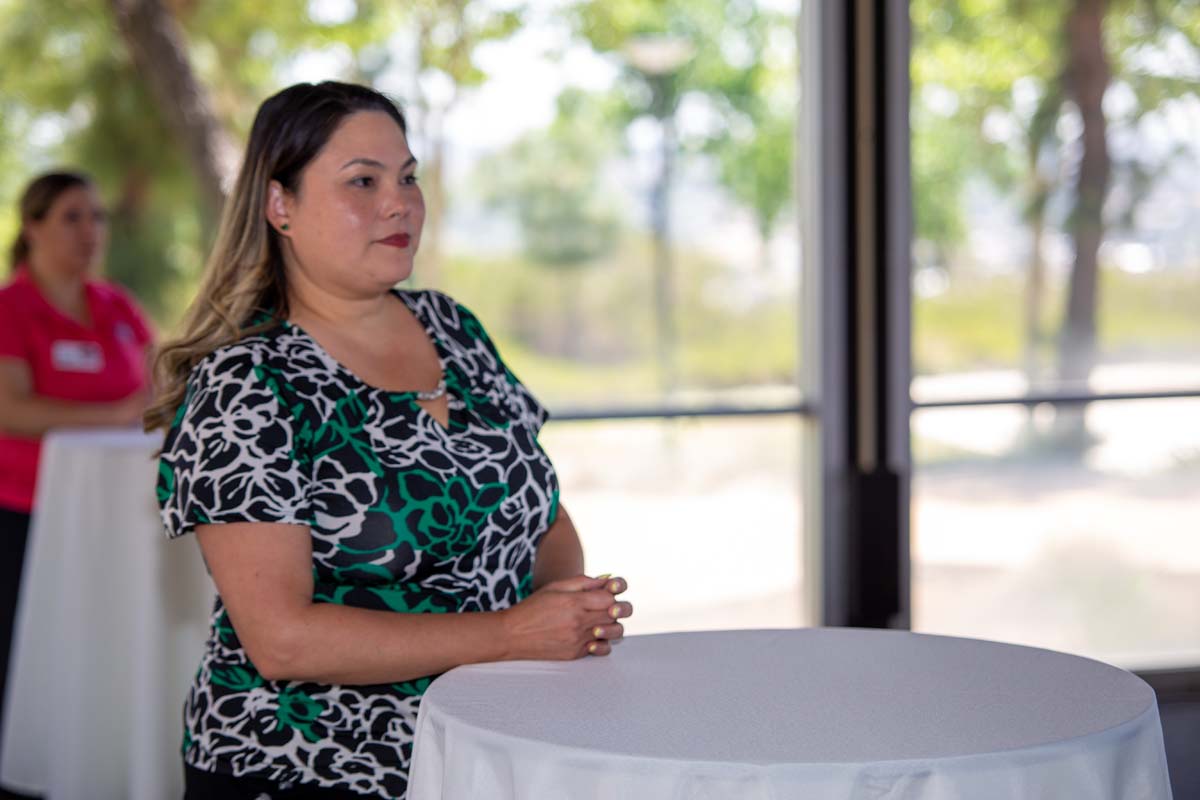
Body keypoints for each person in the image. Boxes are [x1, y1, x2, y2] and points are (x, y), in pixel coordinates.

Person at [144, 81, 632, 800]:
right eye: (361, 182)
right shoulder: (248, 382)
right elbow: (282, 640)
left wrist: (564, 608)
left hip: (483, 749)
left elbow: (543, 514)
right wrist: (511, 635)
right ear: (281, 206)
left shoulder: (453, 328)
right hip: (305, 765)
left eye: (406, 177)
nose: (398, 201)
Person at [0, 171, 153, 751]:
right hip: (25, 513)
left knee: (92, 646)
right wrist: (114, 416)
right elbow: (11, 409)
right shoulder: (11, 308)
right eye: (72, 216)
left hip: (111, 515)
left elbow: (158, 383)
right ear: (33, 226)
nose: (90, 230)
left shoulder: (117, 305)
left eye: (97, 216)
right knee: (22, 652)